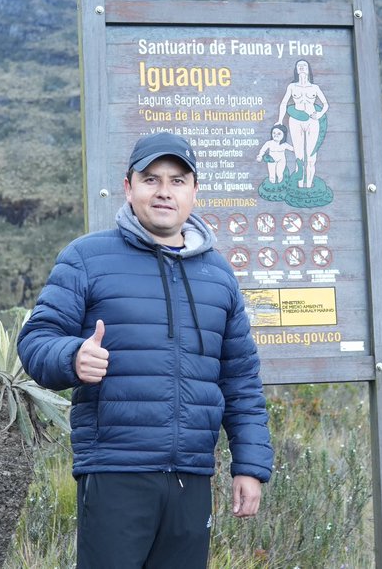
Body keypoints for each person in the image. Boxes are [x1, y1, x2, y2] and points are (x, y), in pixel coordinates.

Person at [18, 131, 274, 568]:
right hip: (115, 471)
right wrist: (73, 357)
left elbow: (241, 381)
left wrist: (249, 465)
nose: (164, 191)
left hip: (191, 477)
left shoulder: (218, 275)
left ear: (194, 191)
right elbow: (36, 339)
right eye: (151, 179)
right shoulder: (86, 258)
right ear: (128, 187)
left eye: (177, 181)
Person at [276, 59, 329, 189]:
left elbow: (325, 104)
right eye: (299, 65)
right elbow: (284, 103)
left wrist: (320, 114)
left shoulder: (315, 88)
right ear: (296, 69)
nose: (301, 67)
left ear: (308, 69)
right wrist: (280, 120)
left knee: (311, 156)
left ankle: (309, 186)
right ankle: (300, 186)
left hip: (312, 120)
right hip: (296, 119)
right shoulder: (292, 87)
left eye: (304, 65)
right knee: (299, 155)